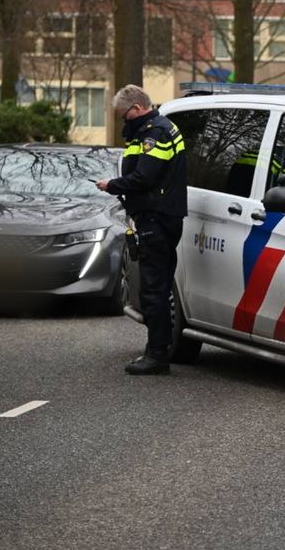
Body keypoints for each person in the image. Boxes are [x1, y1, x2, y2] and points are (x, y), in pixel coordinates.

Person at [97, 85, 187, 375]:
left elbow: (144, 177)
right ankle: (160, 349)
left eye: (124, 116)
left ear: (136, 108)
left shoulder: (154, 133)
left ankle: (157, 355)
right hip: (161, 218)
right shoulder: (157, 128)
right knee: (159, 286)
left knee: (154, 289)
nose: (124, 122)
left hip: (156, 220)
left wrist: (112, 185)